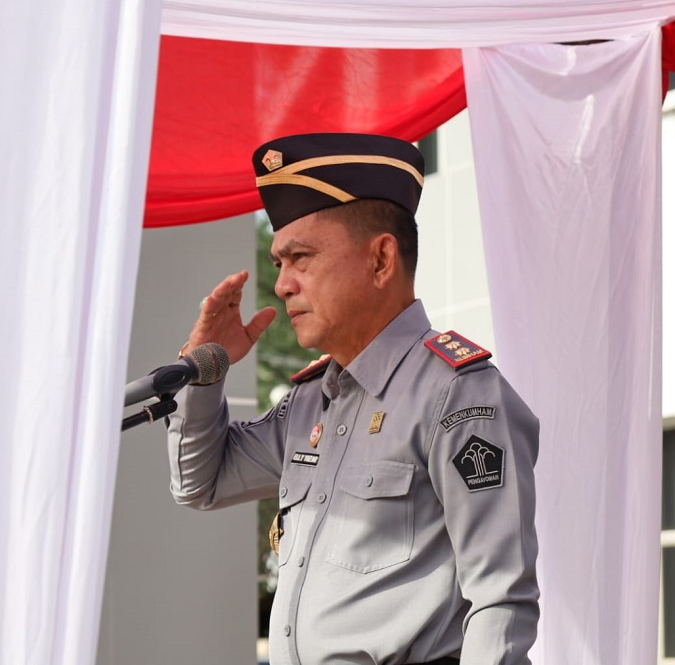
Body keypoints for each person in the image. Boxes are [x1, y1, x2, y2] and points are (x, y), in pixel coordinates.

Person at [166, 133, 539, 665]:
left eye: (301, 257)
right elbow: (199, 483)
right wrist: (205, 368)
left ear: (381, 259)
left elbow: (501, 600)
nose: (283, 285)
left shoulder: (458, 394)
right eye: (278, 264)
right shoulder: (310, 403)